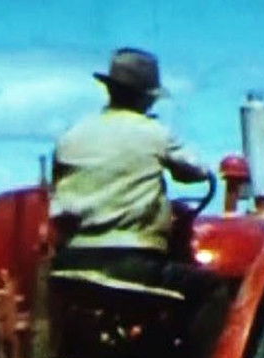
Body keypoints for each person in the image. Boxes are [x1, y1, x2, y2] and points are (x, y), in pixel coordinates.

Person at [50, 46, 217, 305]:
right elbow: (197, 172)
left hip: (72, 261)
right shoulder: (154, 132)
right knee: (212, 289)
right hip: (131, 260)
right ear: (147, 97)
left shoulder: (71, 136)